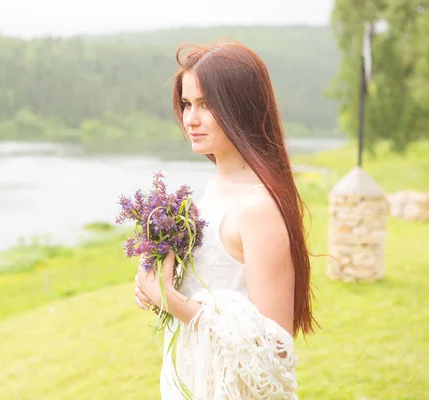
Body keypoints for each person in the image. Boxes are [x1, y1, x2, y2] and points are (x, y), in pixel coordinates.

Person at [134, 42, 317, 399]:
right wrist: (156, 285)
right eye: (187, 104)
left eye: (206, 105)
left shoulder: (259, 207)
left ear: (242, 109)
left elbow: (275, 348)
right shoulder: (215, 187)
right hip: (194, 382)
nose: (190, 119)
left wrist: (173, 301)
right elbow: (212, 285)